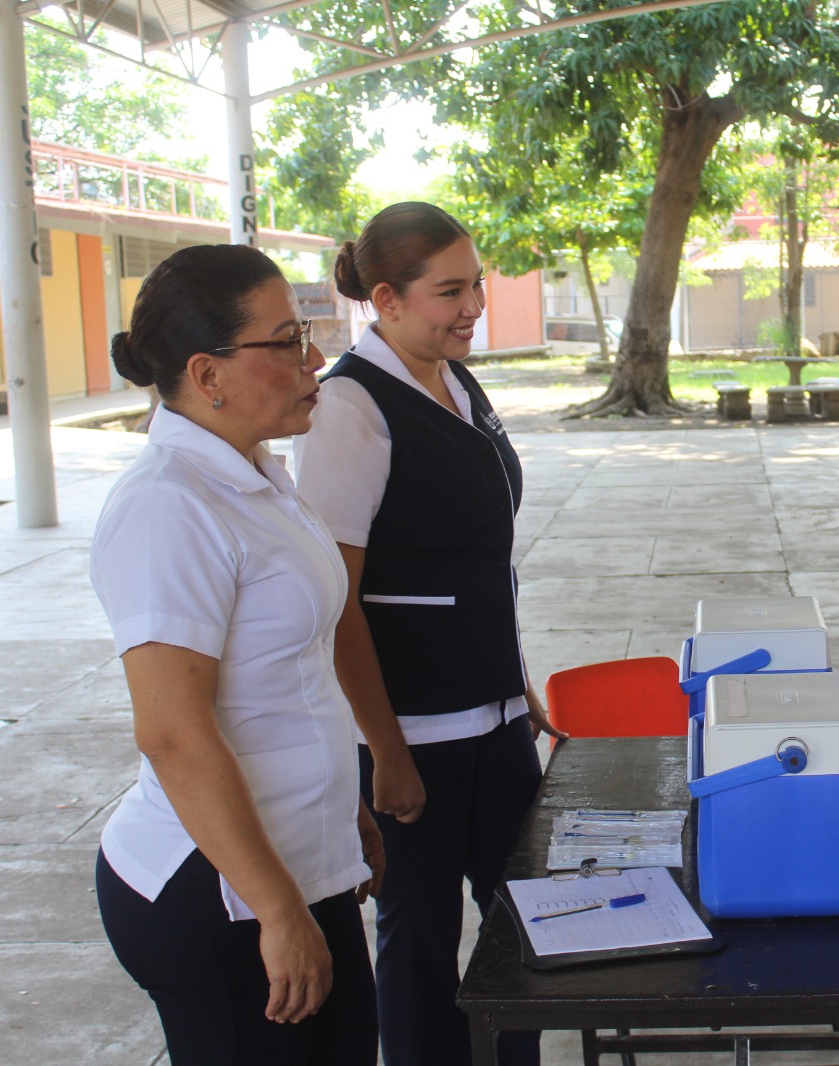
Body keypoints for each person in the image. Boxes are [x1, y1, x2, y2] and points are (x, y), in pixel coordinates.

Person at [89, 244, 382, 1065]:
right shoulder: (167, 509)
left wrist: (342, 808)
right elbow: (174, 734)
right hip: (219, 891)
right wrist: (280, 913)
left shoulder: (256, 474)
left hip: (296, 864)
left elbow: (289, 677)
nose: (314, 359)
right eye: (286, 342)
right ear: (206, 374)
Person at [294, 201, 562, 1066]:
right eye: (450, 290)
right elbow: (337, 602)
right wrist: (387, 752)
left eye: (477, 284)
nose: (473, 305)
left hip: (492, 720)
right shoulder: (352, 405)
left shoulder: (454, 379)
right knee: (418, 941)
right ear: (386, 298)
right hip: (411, 734)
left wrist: (513, 680)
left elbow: (482, 556)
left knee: (522, 921)